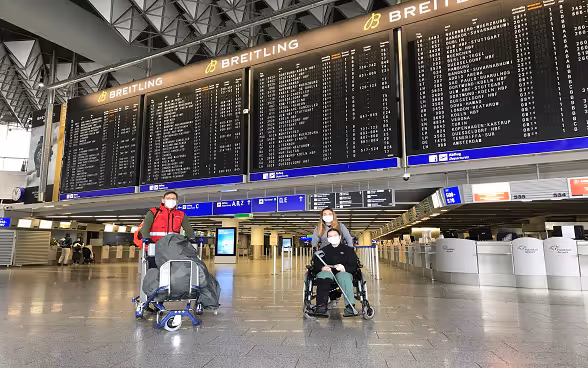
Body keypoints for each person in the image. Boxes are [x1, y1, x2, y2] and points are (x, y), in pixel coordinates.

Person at [140, 191, 195, 269]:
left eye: (173, 198)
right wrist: (147, 239)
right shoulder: (154, 212)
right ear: (163, 200)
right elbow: (144, 229)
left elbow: (188, 229)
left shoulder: (181, 215)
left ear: (177, 201)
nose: (171, 200)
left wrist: (192, 238)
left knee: (172, 270)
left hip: (173, 248)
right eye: (168, 198)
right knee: (155, 270)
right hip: (155, 247)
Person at [312, 228, 359, 317]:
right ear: (327, 238)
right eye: (330, 236)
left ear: (340, 237)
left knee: (344, 276)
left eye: (335, 235)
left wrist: (344, 268)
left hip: (343, 272)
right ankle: (321, 306)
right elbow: (315, 264)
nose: (332, 237)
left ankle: (350, 307)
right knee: (323, 275)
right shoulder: (323, 250)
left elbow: (354, 266)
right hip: (328, 272)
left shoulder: (348, 250)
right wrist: (322, 268)